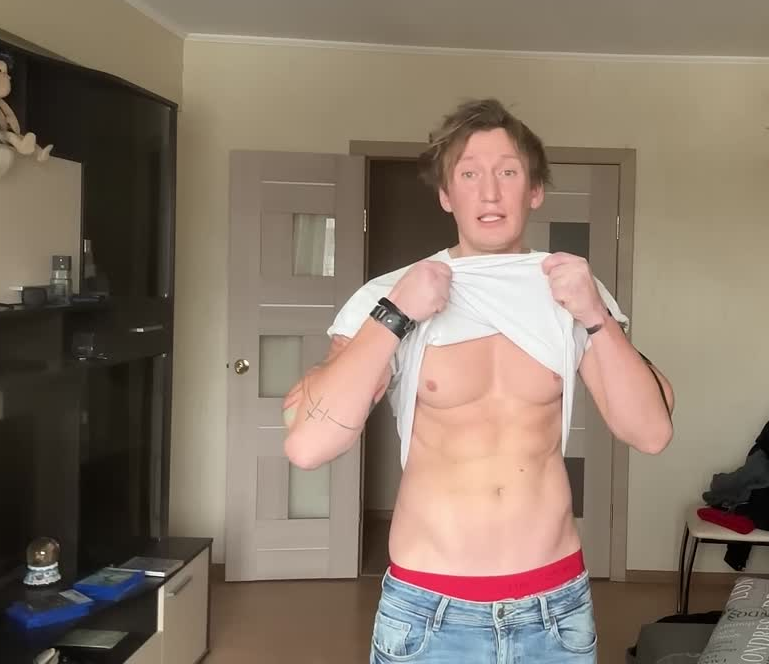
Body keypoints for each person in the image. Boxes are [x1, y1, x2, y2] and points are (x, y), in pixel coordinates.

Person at [282, 98, 675, 663]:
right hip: (427, 607)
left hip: (554, 607)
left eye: (508, 172)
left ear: (534, 190)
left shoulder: (573, 293)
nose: (489, 192)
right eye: (469, 174)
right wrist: (395, 315)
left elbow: (651, 432)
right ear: (447, 194)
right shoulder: (389, 296)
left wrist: (596, 316)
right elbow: (308, 445)